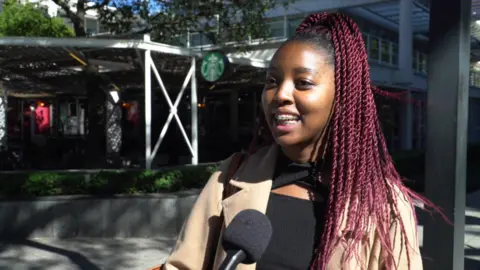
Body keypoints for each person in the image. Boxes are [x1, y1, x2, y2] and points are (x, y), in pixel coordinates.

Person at [160, 12, 434, 270]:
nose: (280, 95)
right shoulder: (229, 177)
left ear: (343, 95)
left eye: (302, 82)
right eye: (271, 81)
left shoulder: (385, 204)